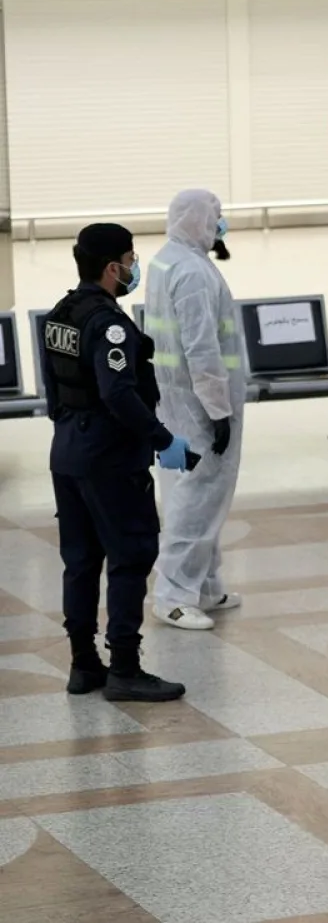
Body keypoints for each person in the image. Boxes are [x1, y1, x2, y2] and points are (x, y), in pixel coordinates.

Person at [42, 223, 190, 702]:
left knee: (80, 562)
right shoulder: (108, 323)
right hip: (107, 459)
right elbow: (118, 391)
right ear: (112, 267)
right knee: (130, 557)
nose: (133, 267)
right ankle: (125, 667)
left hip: (67, 452)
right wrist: (162, 438)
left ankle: (84, 665)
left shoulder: (60, 315)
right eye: (130, 258)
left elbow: (55, 390)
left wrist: (70, 433)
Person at [146, 190, 246, 631]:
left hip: (172, 401)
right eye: (217, 216)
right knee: (195, 497)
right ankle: (172, 596)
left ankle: (205, 586)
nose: (220, 224)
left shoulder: (166, 259)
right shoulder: (191, 272)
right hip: (198, 406)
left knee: (192, 495)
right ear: (199, 219)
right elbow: (201, 348)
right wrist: (218, 410)